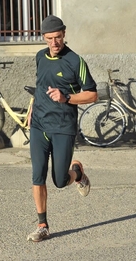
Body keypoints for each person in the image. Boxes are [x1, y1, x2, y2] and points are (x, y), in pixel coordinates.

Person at [26, 15, 98, 242]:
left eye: (57, 37)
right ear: (43, 37)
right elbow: (39, 86)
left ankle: (76, 172)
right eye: (49, 38)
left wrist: (66, 97)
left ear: (64, 34)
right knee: (37, 176)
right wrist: (31, 108)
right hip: (39, 124)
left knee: (59, 181)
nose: (54, 43)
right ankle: (42, 225)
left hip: (63, 127)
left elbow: (92, 94)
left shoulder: (75, 61)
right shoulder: (40, 57)